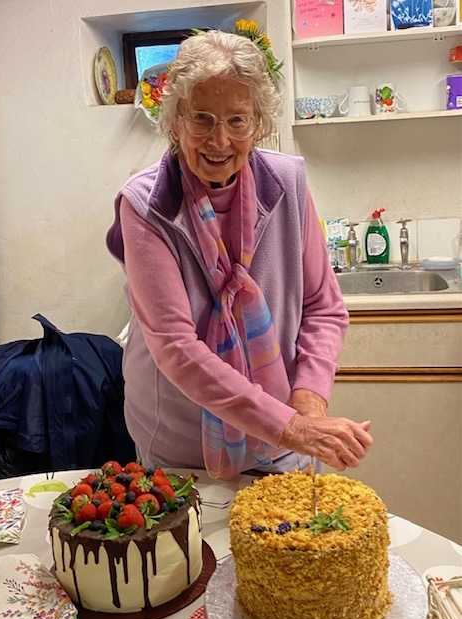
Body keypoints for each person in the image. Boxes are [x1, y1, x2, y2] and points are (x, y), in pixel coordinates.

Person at [106, 29, 372, 480]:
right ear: (175, 122)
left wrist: (307, 405)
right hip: (181, 441)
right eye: (202, 118)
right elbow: (175, 346)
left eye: (237, 120)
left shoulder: (288, 184)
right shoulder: (147, 205)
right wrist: (292, 427)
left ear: (258, 124)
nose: (220, 140)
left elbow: (323, 307)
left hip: (284, 434)